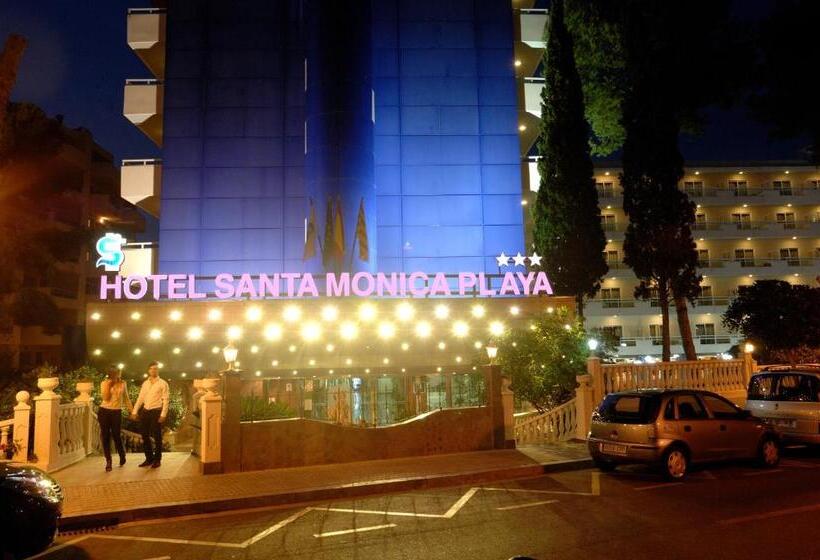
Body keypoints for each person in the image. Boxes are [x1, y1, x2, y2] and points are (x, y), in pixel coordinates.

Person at [130, 361, 170, 468]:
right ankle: (149, 459)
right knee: (144, 435)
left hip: (156, 411)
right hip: (145, 411)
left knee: (157, 436)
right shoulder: (145, 383)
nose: (154, 370)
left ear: (158, 370)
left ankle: (157, 460)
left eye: (156, 369)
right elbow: (140, 398)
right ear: (148, 370)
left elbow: (166, 400)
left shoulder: (163, 383)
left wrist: (163, 414)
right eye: (152, 369)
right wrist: (134, 411)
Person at [99, 365, 133, 472]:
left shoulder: (123, 383)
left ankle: (122, 455)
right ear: (111, 374)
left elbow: (126, 399)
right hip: (104, 411)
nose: (117, 375)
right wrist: (110, 385)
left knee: (116, 435)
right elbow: (105, 398)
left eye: (118, 372)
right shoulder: (104, 383)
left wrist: (132, 411)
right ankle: (108, 461)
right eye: (115, 373)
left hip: (116, 412)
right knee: (105, 436)